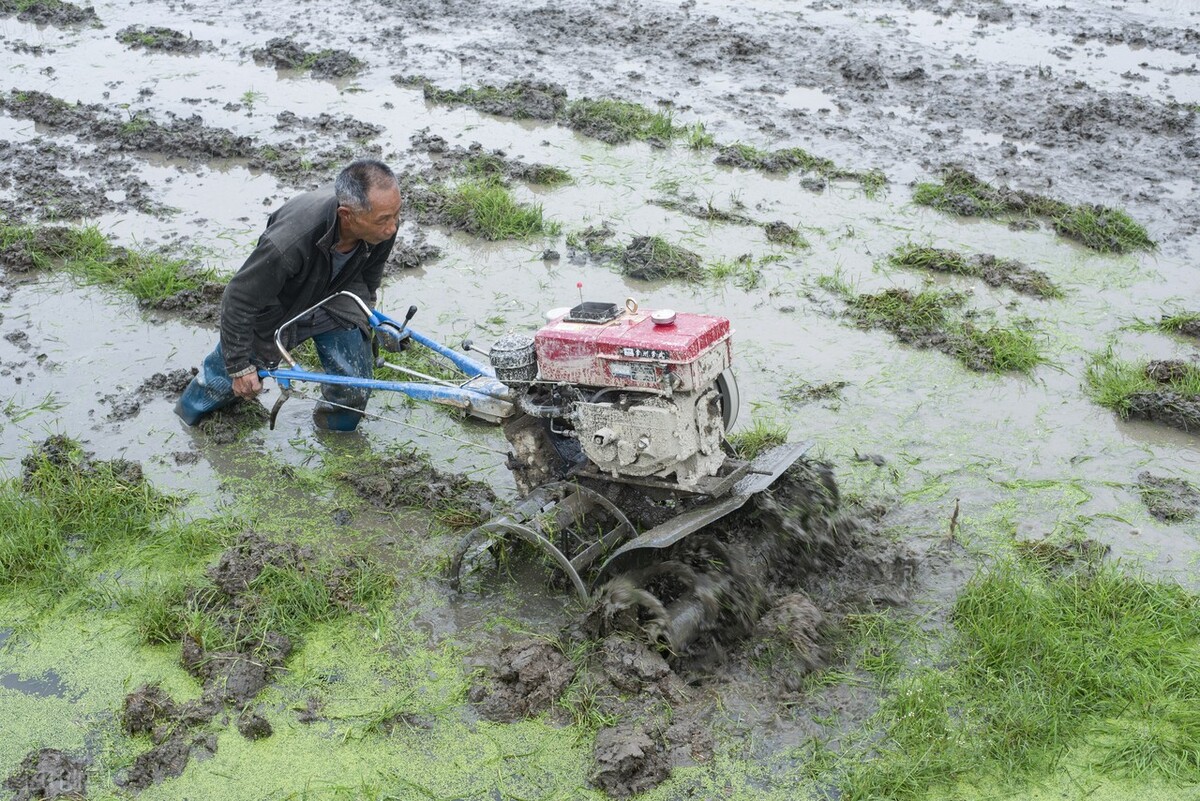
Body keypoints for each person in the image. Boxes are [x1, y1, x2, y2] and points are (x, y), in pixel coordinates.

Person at [175, 158, 402, 431]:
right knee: (225, 380)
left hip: (340, 291)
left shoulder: (381, 227)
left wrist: (366, 317)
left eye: (396, 215)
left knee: (354, 382)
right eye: (383, 220)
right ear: (347, 215)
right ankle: (186, 417)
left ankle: (336, 433)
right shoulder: (288, 241)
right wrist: (239, 367)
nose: (392, 228)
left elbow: (369, 275)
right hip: (283, 298)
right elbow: (238, 298)